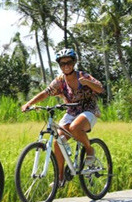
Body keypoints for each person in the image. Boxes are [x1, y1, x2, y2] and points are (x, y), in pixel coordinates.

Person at [21, 48, 104, 186]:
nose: (66, 66)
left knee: (75, 128)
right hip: (71, 112)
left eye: (69, 62)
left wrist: (88, 83)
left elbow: (100, 88)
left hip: (88, 110)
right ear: (59, 65)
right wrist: (29, 103)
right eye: (62, 63)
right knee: (57, 140)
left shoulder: (82, 76)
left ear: (74, 63)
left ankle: (90, 150)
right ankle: (60, 178)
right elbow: (46, 92)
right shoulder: (60, 80)